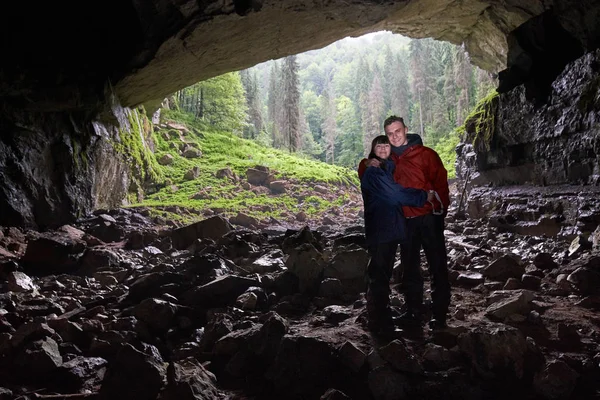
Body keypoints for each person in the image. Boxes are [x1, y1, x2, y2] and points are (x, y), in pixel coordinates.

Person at [383, 115, 451, 330]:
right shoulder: (389, 160)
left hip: (429, 218)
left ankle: (439, 315)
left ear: (406, 130)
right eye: (390, 133)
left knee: (437, 266)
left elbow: (441, 183)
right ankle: (413, 312)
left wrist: (439, 212)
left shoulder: (427, 155)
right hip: (406, 222)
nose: (395, 136)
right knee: (410, 268)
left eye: (398, 131)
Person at [359, 135, 432, 333]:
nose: (383, 149)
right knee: (380, 275)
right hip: (381, 229)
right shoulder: (374, 172)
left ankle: (385, 317)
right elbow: (395, 195)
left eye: (386, 145)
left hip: (390, 229)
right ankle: (380, 322)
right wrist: (424, 196)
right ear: (373, 149)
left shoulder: (386, 167)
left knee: (382, 272)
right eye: (378, 146)